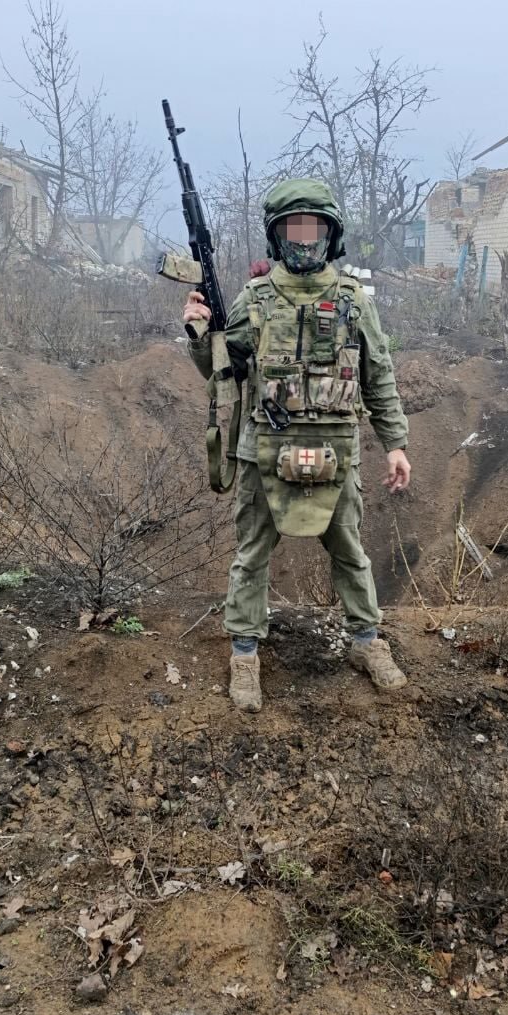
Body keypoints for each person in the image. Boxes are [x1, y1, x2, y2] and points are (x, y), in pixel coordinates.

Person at [183, 178, 411, 713]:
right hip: (264, 447)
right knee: (252, 556)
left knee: (351, 552)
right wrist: (198, 332)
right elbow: (225, 372)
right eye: (293, 228)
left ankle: (366, 643)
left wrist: (395, 443)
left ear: (331, 234)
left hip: (337, 449)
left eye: (313, 228)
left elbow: (379, 375)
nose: (304, 240)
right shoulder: (255, 298)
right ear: (276, 235)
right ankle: (244, 654)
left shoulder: (354, 300)